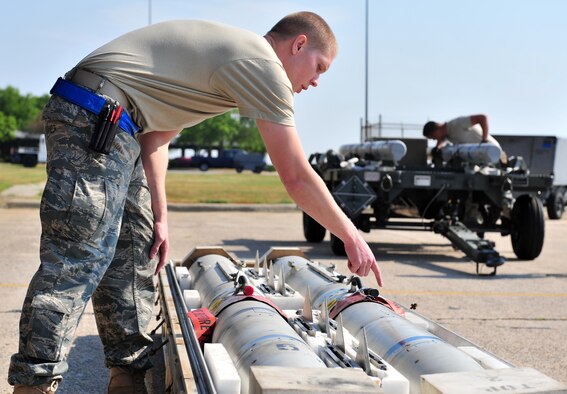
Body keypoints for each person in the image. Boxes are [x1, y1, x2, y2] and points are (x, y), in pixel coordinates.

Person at [8, 11, 383, 394]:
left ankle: (128, 379)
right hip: (95, 114)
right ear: (298, 44)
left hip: (120, 124)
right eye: (319, 67)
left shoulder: (230, 69)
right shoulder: (262, 65)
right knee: (79, 257)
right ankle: (33, 385)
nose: (317, 81)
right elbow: (297, 177)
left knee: (135, 254)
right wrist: (350, 235)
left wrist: (161, 217)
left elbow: (156, 140)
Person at [422, 114, 501, 149]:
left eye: (433, 136)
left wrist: (484, 141)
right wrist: (437, 149)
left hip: (493, 151)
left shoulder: (457, 124)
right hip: (483, 158)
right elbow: (441, 140)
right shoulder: (447, 135)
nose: (434, 139)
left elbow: (482, 118)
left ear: (438, 128)